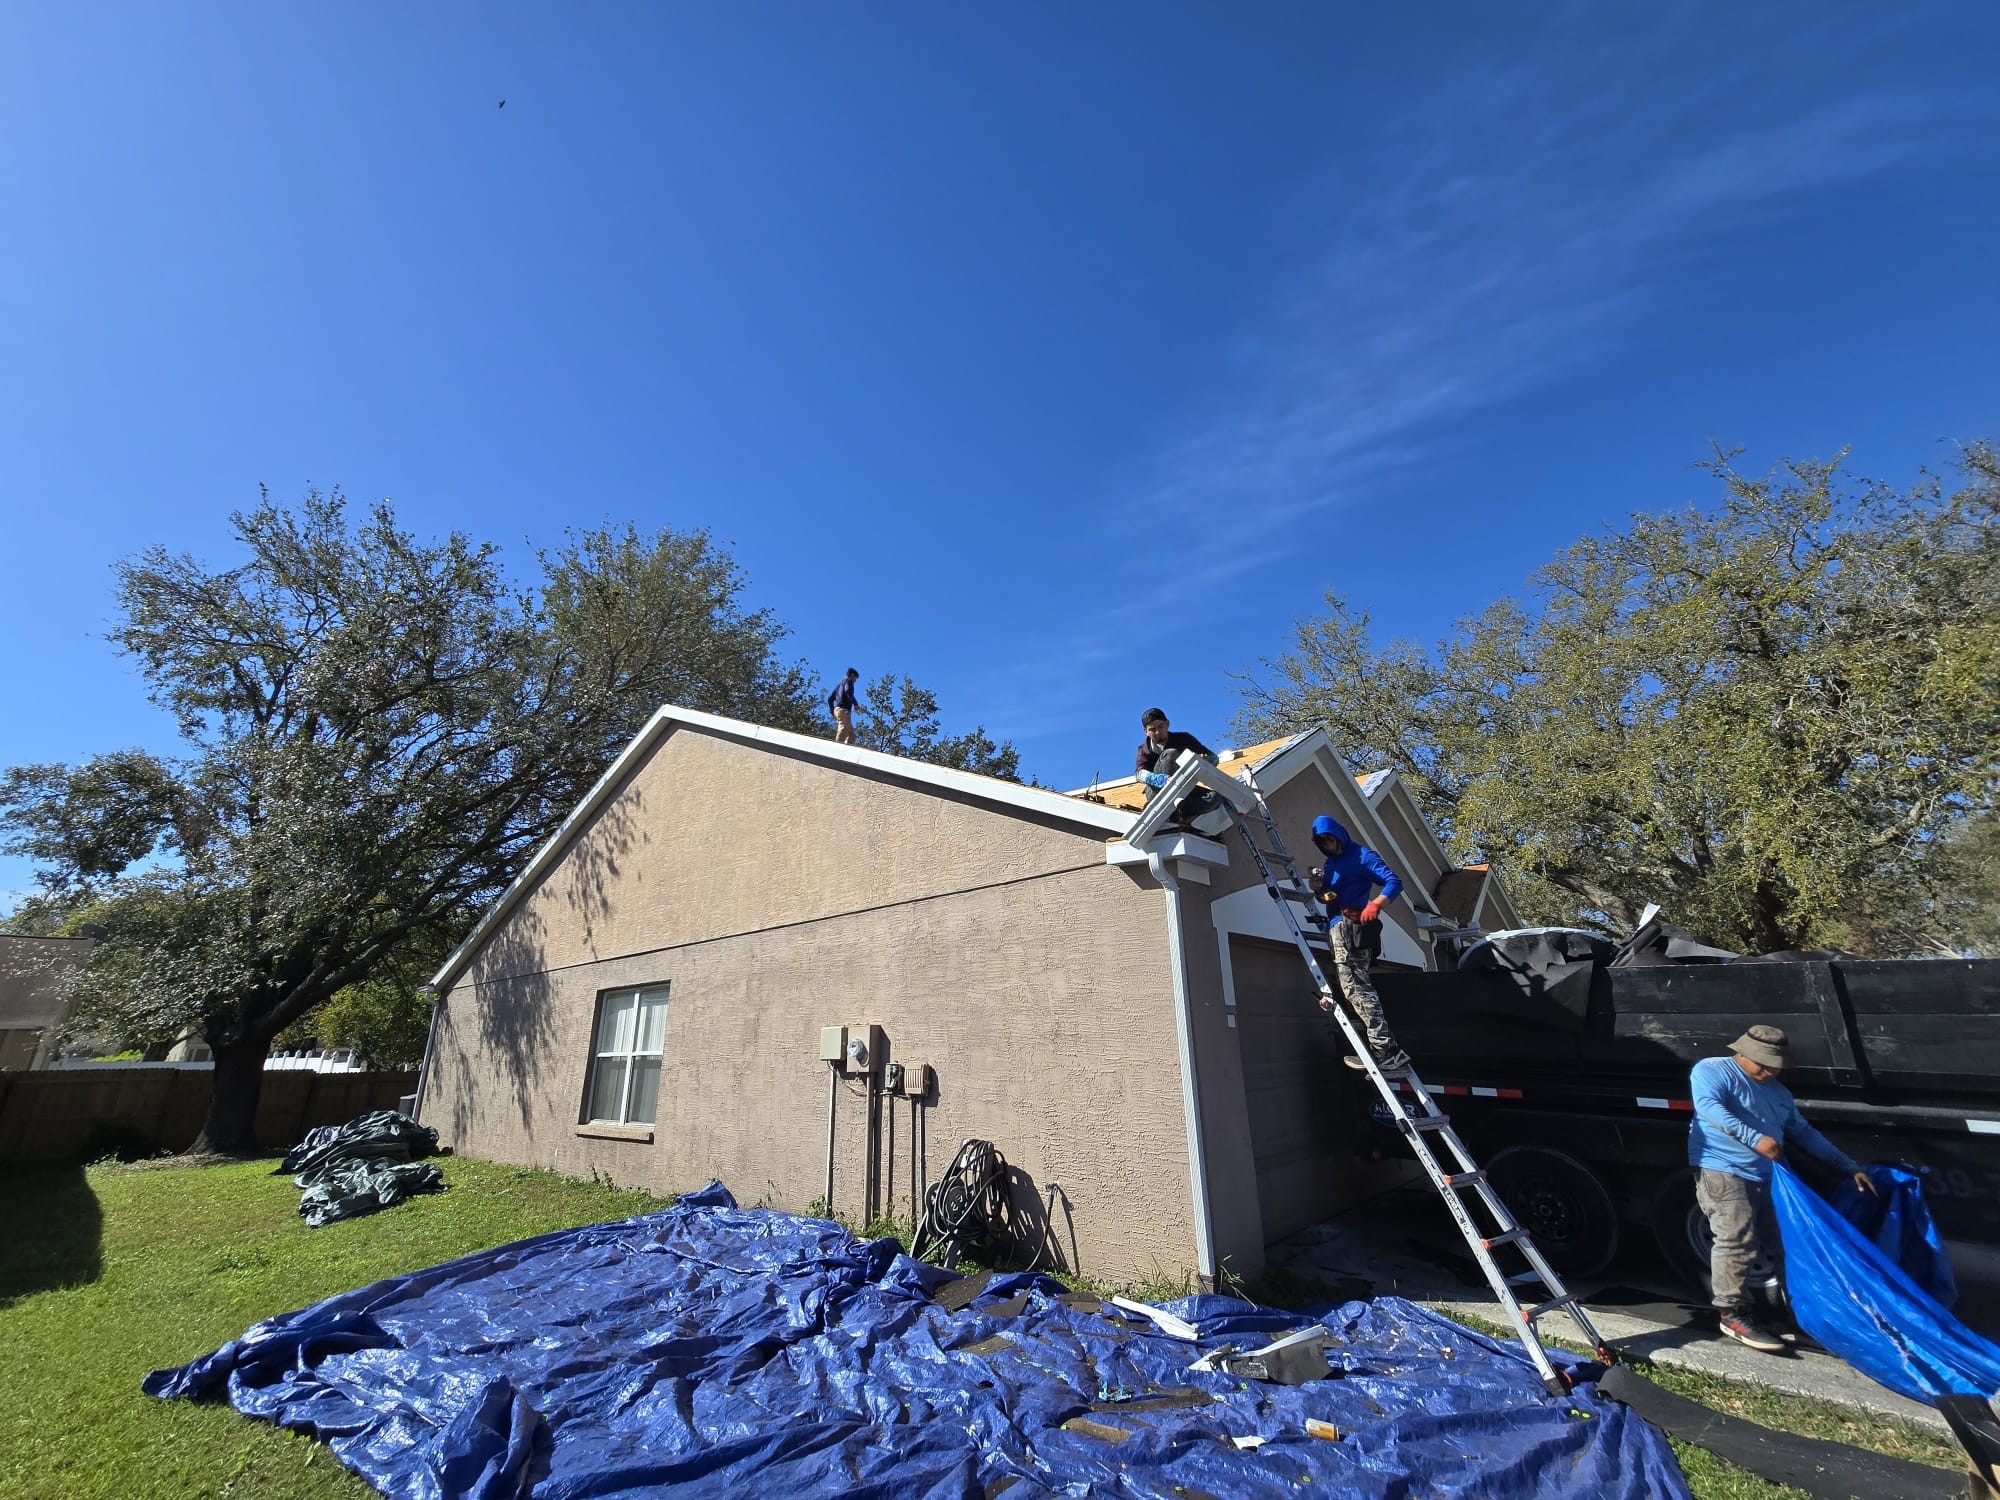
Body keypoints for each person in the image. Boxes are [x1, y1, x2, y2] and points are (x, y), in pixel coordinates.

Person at [1689, 1025, 1874, 1353]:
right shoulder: (1711, 1070)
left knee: (1787, 1244)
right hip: (1722, 1170)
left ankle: (1804, 1318)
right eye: (1761, 1063)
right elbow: (1710, 1109)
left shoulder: (1779, 1095)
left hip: (1768, 1176)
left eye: (1774, 1065)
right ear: (1741, 1053)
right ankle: (1732, 1313)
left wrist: (1850, 1167)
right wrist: (1755, 1138)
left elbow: (1805, 1134)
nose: (1768, 1070)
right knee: (1736, 1240)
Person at [1305, 814, 1410, 1077]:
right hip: (1338, 927)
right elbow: (1331, 898)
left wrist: (1376, 904)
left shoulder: (1363, 856)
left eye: (1331, 839)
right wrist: (1319, 889)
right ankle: (1383, 1048)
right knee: (1353, 988)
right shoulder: (1330, 865)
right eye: (1323, 843)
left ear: (1340, 834)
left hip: (1353, 927)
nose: (1329, 845)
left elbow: (1394, 881)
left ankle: (1387, 1051)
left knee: (1357, 989)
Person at [1133, 708, 1219, 826]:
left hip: (1183, 788)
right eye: (1152, 729)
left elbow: (1214, 757)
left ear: (1167, 724)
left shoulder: (1184, 739)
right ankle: (1169, 808)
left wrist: (1205, 761)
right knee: (1171, 754)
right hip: (1156, 792)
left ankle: (1182, 812)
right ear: (1145, 731)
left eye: (1160, 726)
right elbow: (1139, 774)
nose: (1157, 732)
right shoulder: (1144, 749)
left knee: (1216, 797)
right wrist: (1160, 780)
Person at [828, 668, 860, 745]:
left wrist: (833, 711)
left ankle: (847, 749)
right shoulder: (849, 681)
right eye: (855, 679)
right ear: (852, 675)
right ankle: (837, 747)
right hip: (843, 710)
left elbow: (830, 699)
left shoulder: (838, 686)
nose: (855, 681)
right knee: (844, 729)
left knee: (852, 734)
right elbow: (848, 691)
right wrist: (855, 704)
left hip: (838, 710)